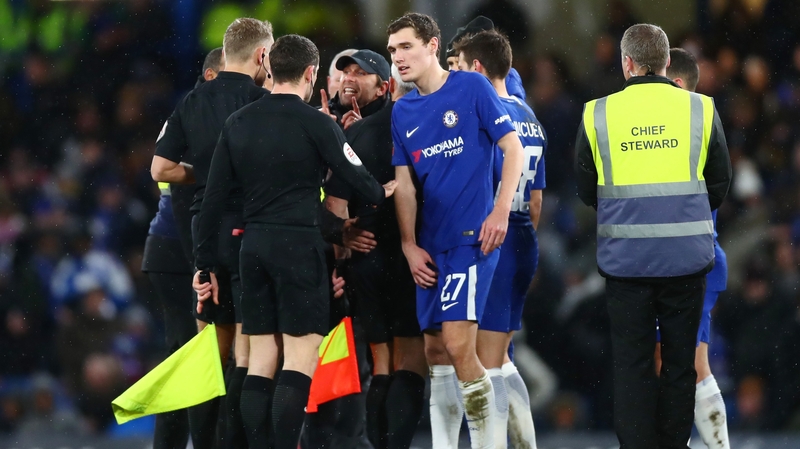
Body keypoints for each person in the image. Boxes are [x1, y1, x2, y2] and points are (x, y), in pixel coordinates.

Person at [192, 34, 396, 449]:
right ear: (310, 73)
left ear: (269, 68)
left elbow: (211, 201)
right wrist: (382, 190)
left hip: (252, 248)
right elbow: (361, 182)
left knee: (260, 361)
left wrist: (204, 264)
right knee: (300, 360)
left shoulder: (238, 122)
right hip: (299, 248)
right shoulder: (318, 124)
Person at [574, 24, 731, 449]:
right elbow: (719, 181)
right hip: (686, 258)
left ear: (627, 62)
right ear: (666, 62)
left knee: (633, 364)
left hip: (626, 260)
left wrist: (629, 216)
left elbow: (586, 189)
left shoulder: (597, 113)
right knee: (681, 364)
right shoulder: (701, 108)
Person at [387, 12, 524, 448]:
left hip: (471, 240)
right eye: (392, 50)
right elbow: (405, 185)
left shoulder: (471, 87)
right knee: (435, 352)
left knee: (458, 344)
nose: (398, 57)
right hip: (431, 246)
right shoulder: (402, 110)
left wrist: (500, 211)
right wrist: (408, 244)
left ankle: (489, 443)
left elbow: (513, 148)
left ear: (432, 45)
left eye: (406, 46)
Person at [150, 17, 273, 449]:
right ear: (262, 55)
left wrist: (205, 175)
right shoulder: (263, 101)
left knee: (208, 354)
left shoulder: (191, 100)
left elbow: (160, 168)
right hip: (249, 230)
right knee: (247, 354)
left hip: (205, 231)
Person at [324, 63, 425, 449]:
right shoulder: (428, 128)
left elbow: (335, 204)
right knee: (411, 359)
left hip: (366, 258)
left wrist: (342, 254)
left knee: (381, 363)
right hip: (412, 257)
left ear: (390, 86)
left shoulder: (360, 132)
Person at [454, 29, 545, 448]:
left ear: (476, 67)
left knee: (486, 364)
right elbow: (538, 199)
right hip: (523, 236)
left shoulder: (484, 115)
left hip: (495, 238)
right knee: (504, 359)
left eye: (459, 66)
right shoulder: (528, 114)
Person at [653, 47, 730, 449]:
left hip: (689, 263)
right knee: (675, 363)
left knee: (687, 365)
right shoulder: (700, 124)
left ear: (677, 84)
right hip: (688, 259)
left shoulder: (685, 127)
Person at [446, 16, 527, 103]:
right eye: (450, 64)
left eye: (458, 63)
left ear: (476, 64)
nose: (452, 71)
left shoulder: (503, 103)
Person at [320, 50, 391, 128]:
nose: (348, 78)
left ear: (381, 88)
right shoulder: (319, 117)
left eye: (360, 73)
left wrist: (360, 131)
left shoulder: (393, 123)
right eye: (346, 72)